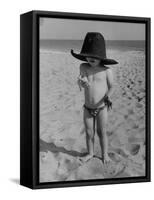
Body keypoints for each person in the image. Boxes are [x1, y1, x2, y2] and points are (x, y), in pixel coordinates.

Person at [71, 32, 118, 164]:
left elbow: (112, 86)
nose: (90, 58)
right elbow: (82, 79)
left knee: (101, 132)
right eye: (88, 55)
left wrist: (108, 96)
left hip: (101, 107)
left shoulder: (107, 70)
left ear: (101, 58)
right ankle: (90, 153)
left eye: (94, 57)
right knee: (88, 132)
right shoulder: (83, 66)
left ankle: (105, 155)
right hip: (87, 107)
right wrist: (82, 82)